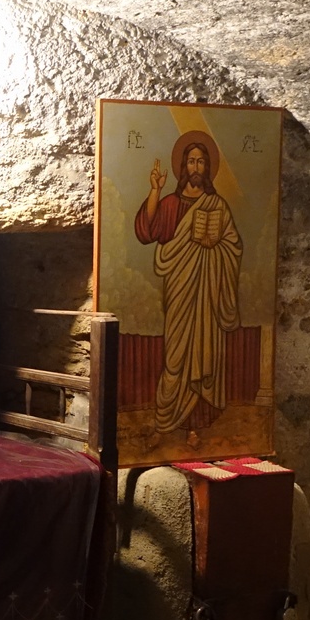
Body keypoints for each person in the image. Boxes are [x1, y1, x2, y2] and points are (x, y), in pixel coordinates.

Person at [133, 134, 242, 435]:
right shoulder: (170, 203)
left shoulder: (217, 205)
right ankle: (166, 418)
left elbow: (234, 246)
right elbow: (146, 232)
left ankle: (197, 425)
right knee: (177, 352)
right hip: (180, 287)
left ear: (208, 168)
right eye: (191, 160)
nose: (196, 166)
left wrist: (214, 244)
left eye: (201, 161)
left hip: (208, 292)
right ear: (184, 166)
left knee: (205, 350)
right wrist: (155, 190)